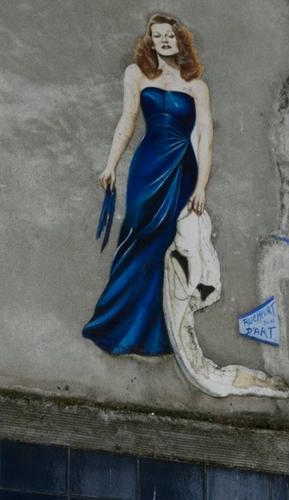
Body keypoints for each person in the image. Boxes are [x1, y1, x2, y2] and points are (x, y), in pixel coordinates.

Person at [84, 14, 213, 359]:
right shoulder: (137, 74)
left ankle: (156, 334)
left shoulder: (196, 85)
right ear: (151, 42)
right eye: (158, 36)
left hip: (181, 168)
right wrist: (111, 164)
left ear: (179, 40)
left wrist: (201, 185)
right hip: (147, 165)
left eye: (170, 35)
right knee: (137, 233)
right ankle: (115, 323)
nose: (164, 41)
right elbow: (127, 120)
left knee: (166, 245)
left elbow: (204, 139)